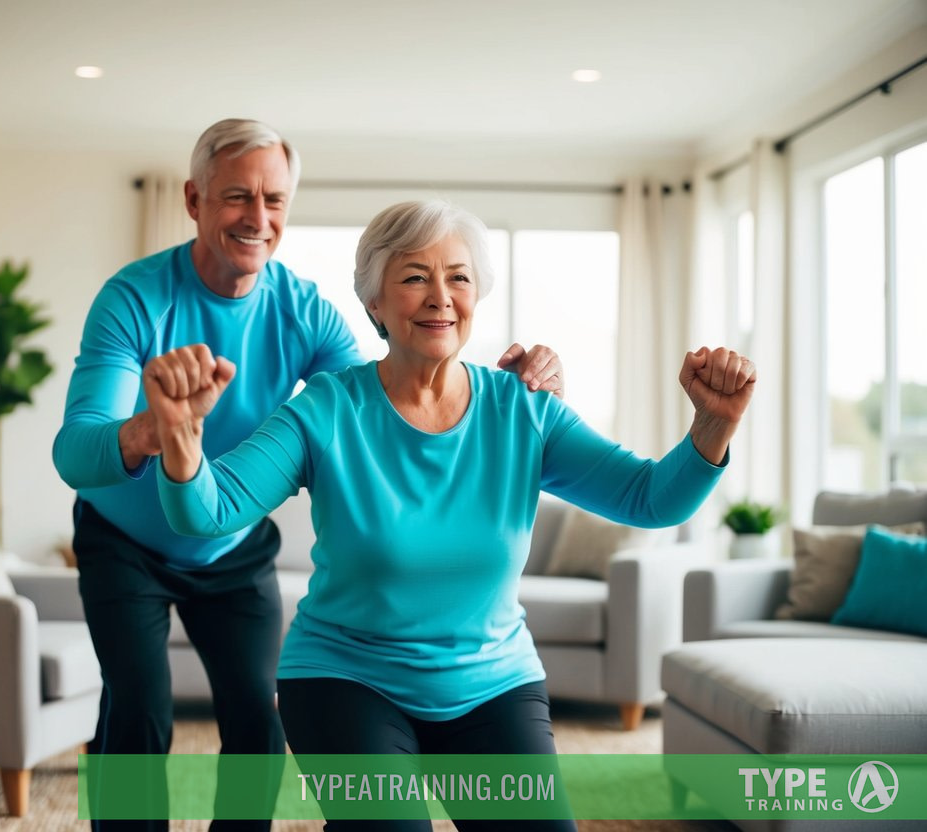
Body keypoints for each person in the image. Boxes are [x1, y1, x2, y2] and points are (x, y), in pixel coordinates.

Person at [142, 199, 756, 831]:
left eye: (458, 277)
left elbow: (650, 500)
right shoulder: (326, 409)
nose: (440, 296)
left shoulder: (523, 410)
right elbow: (208, 511)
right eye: (414, 277)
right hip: (346, 679)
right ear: (374, 302)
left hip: (492, 683)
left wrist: (714, 424)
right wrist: (183, 436)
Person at [52, 122, 567, 832]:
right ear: (194, 198)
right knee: (138, 706)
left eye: (274, 200)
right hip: (125, 539)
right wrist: (156, 428)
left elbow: (377, 411)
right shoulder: (135, 298)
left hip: (231, 543)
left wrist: (492, 406)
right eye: (237, 197)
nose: (257, 219)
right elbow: (74, 452)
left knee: (256, 720)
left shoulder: (304, 313)